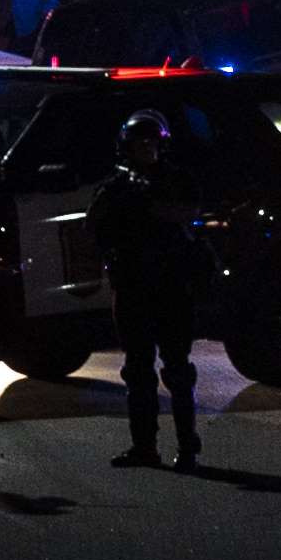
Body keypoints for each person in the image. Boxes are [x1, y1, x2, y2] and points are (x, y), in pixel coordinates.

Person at [91, 112, 211, 471]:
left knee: (177, 369)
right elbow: (95, 227)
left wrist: (149, 203)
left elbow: (188, 212)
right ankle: (144, 446)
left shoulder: (176, 180)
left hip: (170, 285)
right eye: (139, 143)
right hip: (132, 286)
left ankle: (187, 446)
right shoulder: (116, 186)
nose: (147, 149)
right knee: (138, 369)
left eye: (151, 142)